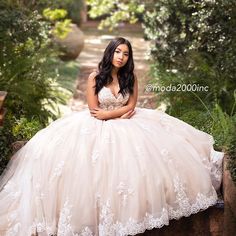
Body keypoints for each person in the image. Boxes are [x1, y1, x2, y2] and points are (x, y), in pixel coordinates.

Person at [0, 37, 223, 236]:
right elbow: (94, 110)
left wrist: (114, 113)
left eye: (126, 54)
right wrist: (117, 113)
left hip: (129, 122)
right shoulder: (95, 77)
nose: (122, 57)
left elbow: (133, 105)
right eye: (118, 52)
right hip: (97, 124)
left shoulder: (130, 77)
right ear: (110, 53)